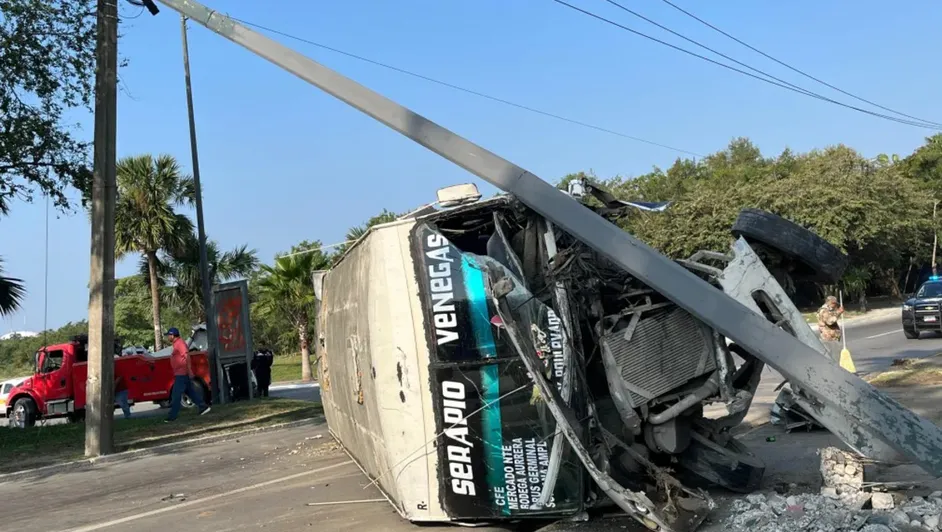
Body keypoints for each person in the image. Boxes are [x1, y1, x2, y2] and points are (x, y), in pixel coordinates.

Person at [166, 327, 211, 422]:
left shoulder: (180, 343)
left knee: (176, 395)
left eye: (168, 335)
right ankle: (203, 407)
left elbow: (187, 357)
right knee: (191, 392)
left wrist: (189, 370)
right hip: (181, 373)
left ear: (173, 335)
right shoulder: (176, 344)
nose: (168, 337)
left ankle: (172, 416)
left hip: (182, 373)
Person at [817, 295, 845, 362]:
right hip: (829, 338)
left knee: (836, 357)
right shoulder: (824, 311)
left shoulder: (829, 310)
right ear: (830, 302)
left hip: (833, 338)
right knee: (833, 358)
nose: (835, 306)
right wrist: (839, 312)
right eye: (834, 304)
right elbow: (830, 321)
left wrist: (837, 312)